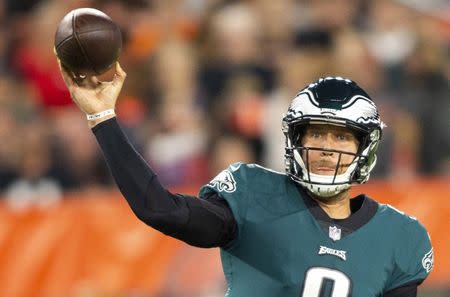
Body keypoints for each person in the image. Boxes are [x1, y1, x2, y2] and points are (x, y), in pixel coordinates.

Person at [57, 58, 433, 297]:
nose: (325, 147)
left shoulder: (400, 238)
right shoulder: (256, 195)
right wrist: (102, 117)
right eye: (315, 133)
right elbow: (161, 210)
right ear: (295, 140)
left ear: (364, 148)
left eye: (340, 136)